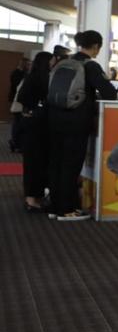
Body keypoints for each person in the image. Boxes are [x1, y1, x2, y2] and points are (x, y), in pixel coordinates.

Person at [47, 31, 118, 221]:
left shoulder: (64, 62)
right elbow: (110, 93)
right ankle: (67, 209)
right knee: (71, 164)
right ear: (95, 46)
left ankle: (55, 207)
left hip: (55, 118)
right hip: (76, 121)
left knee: (56, 162)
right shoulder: (90, 65)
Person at [17, 51, 53, 213]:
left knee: (34, 162)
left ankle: (33, 197)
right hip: (38, 125)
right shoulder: (44, 78)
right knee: (36, 162)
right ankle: (32, 199)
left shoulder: (31, 77)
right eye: (51, 60)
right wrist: (37, 108)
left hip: (32, 123)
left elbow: (22, 97)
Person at [8, 57, 30, 152]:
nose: (28, 66)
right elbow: (17, 86)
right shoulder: (17, 74)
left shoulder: (23, 74)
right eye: (27, 64)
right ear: (22, 63)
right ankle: (15, 142)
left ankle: (15, 142)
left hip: (17, 101)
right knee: (18, 124)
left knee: (17, 123)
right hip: (18, 102)